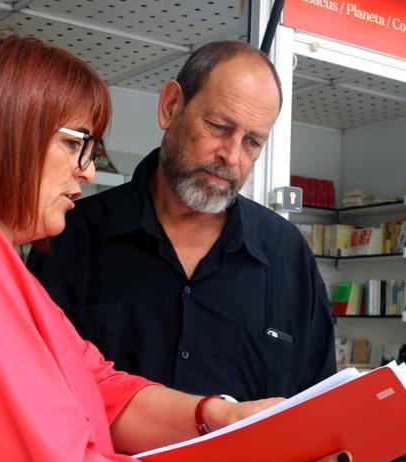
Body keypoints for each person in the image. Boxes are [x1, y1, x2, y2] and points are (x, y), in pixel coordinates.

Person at [0, 32, 355, 462]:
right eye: (75, 144)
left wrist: (217, 414)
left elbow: (98, 386)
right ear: (6, 131)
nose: (86, 171)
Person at [28, 40, 335, 401]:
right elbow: (33, 388)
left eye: (252, 142)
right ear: (171, 106)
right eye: (218, 126)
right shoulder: (71, 234)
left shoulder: (287, 254)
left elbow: (319, 405)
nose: (231, 156)